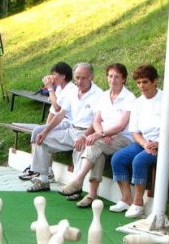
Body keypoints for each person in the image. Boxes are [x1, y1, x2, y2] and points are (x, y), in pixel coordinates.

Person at [109, 64, 169, 218]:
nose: (141, 86)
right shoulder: (137, 103)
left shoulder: (167, 100)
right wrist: (145, 144)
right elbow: (135, 132)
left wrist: (161, 144)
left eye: (145, 82)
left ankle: (138, 203)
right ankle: (126, 198)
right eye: (138, 83)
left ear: (154, 81)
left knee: (139, 160)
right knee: (118, 158)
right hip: (145, 144)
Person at [58, 63, 136, 208]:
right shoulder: (104, 95)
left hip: (124, 138)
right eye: (110, 76)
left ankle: (78, 180)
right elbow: (96, 120)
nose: (113, 80)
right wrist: (101, 133)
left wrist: (100, 134)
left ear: (124, 79)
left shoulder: (129, 98)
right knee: (97, 153)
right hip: (105, 136)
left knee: (94, 144)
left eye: (117, 77)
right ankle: (92, 195)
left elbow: (121, 125)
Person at [25, 62, 102, 193]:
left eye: (83, 78)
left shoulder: (98, 94)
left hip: (87, 133)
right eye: (77, 77)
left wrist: (84, 136)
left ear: (91, 77)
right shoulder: (74, 92)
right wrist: (45, 131)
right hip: (71, 130)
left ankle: (76, 188)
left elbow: (97, 120)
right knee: (41, 139)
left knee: (80, 149)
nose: (79, 81)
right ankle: (43, 180)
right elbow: (60, 114)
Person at [19, 61, 76, 181]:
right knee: (38, 132)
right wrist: (46, 126)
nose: (51, 78)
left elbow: (57, 108)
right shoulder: (60, 88)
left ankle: (38, 170)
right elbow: (53, 111)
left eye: (54, 75)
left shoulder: (71, 89)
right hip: (60, 122)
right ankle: (44, 169)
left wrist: (50, 88)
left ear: (63, 76)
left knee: (40, 134)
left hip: (68, 124)